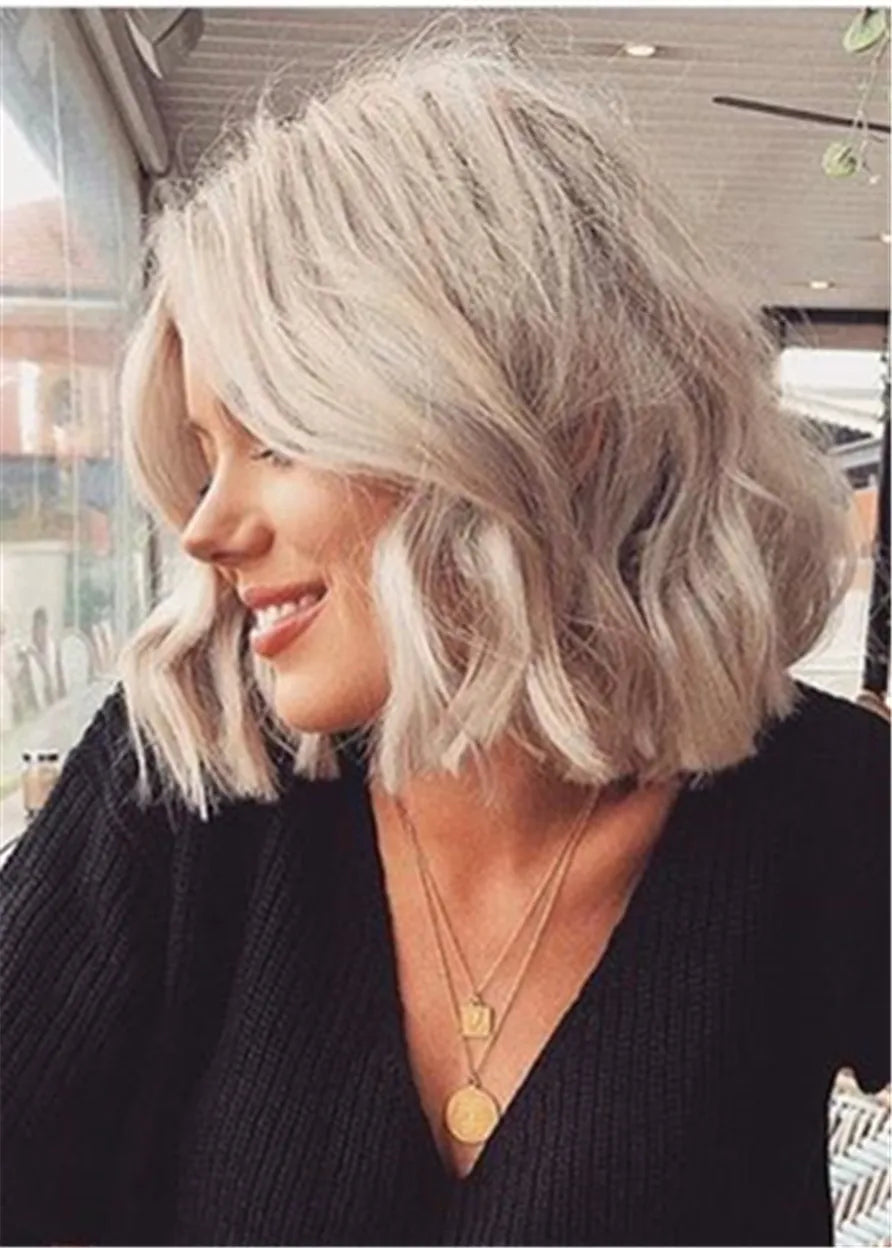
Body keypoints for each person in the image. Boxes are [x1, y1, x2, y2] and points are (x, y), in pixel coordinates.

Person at [1, 29, 888, 1248]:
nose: (206, 526)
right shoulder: (185, 773)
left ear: (548, 425)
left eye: (277, 438)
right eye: (206, 454)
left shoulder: (828, 803)